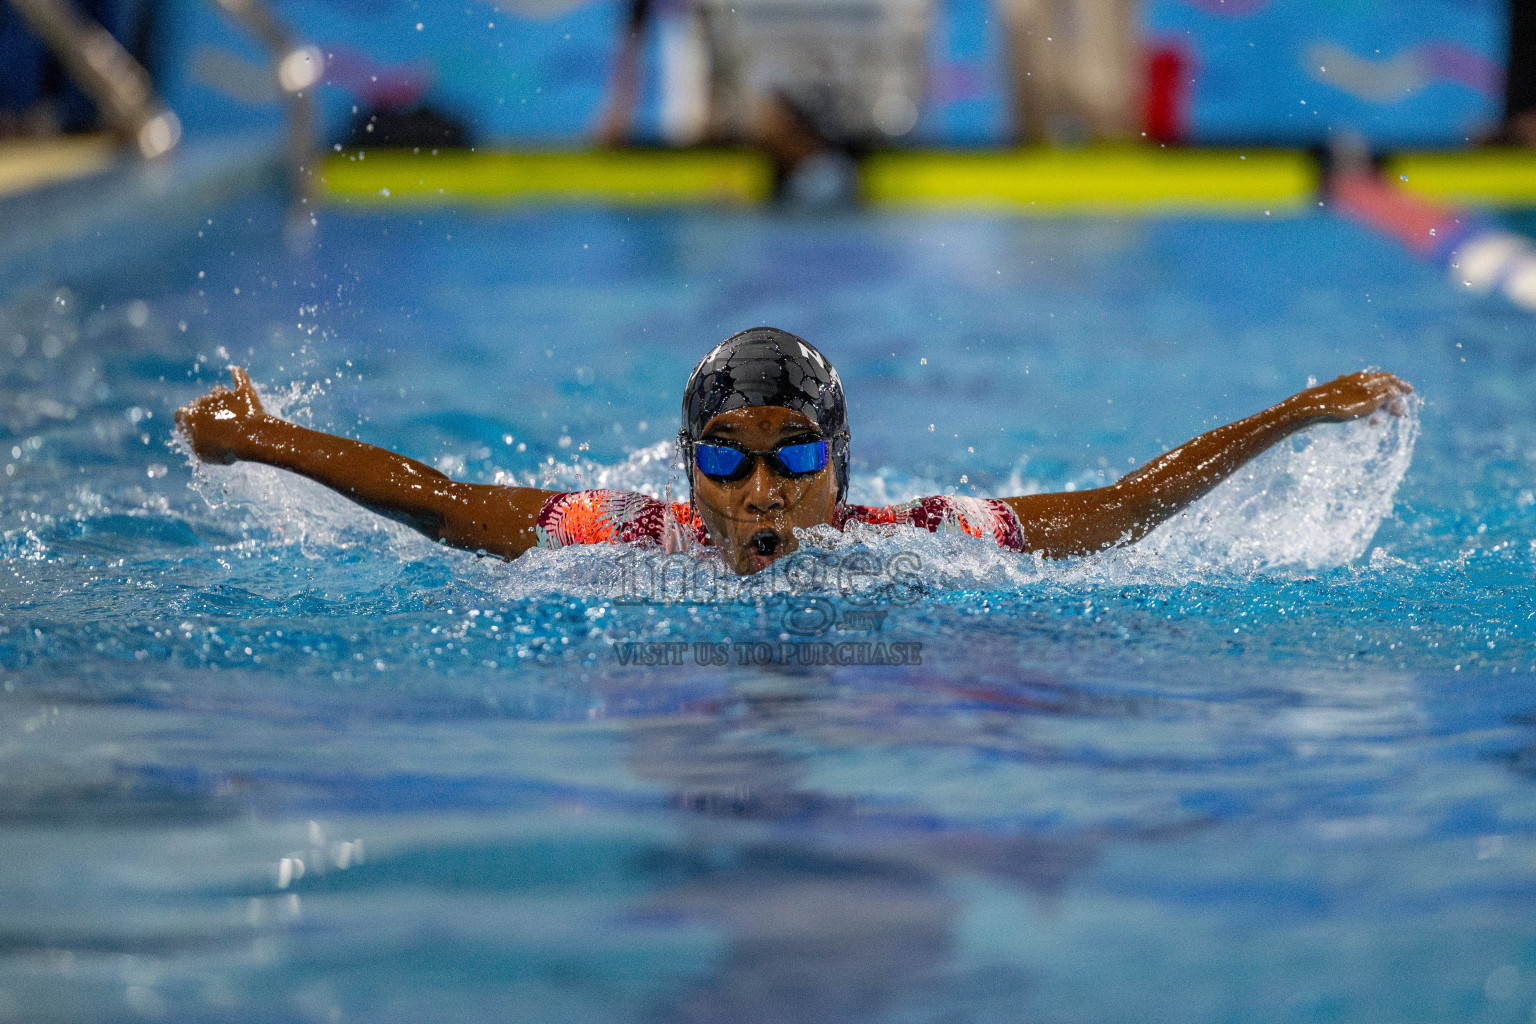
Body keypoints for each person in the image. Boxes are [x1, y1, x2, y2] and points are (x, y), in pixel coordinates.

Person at [175, 327, 1411, 576]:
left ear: (843, 472)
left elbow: (1131, 505)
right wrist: (261, 438)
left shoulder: (922, 543)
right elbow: (442, 503)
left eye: (788, 459)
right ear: (684, 470)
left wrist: (1294, 412)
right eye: (723, 461)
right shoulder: (625, 537)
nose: (758, 492)